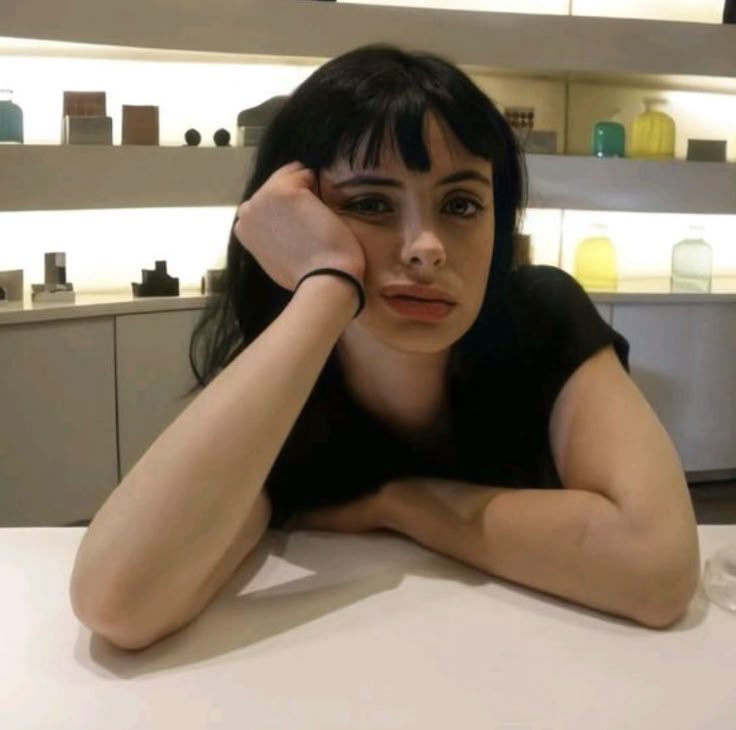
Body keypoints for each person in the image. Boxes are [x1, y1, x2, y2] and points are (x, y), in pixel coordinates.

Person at [69, 44, 700, 651]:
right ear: (300, 217)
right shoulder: (288, 372)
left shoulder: (542, 315)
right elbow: (117, 603)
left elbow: (659, 570)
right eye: (370, 203)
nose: (426, 245)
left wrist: (398, 503)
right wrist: (325, 286)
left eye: (461, 203)